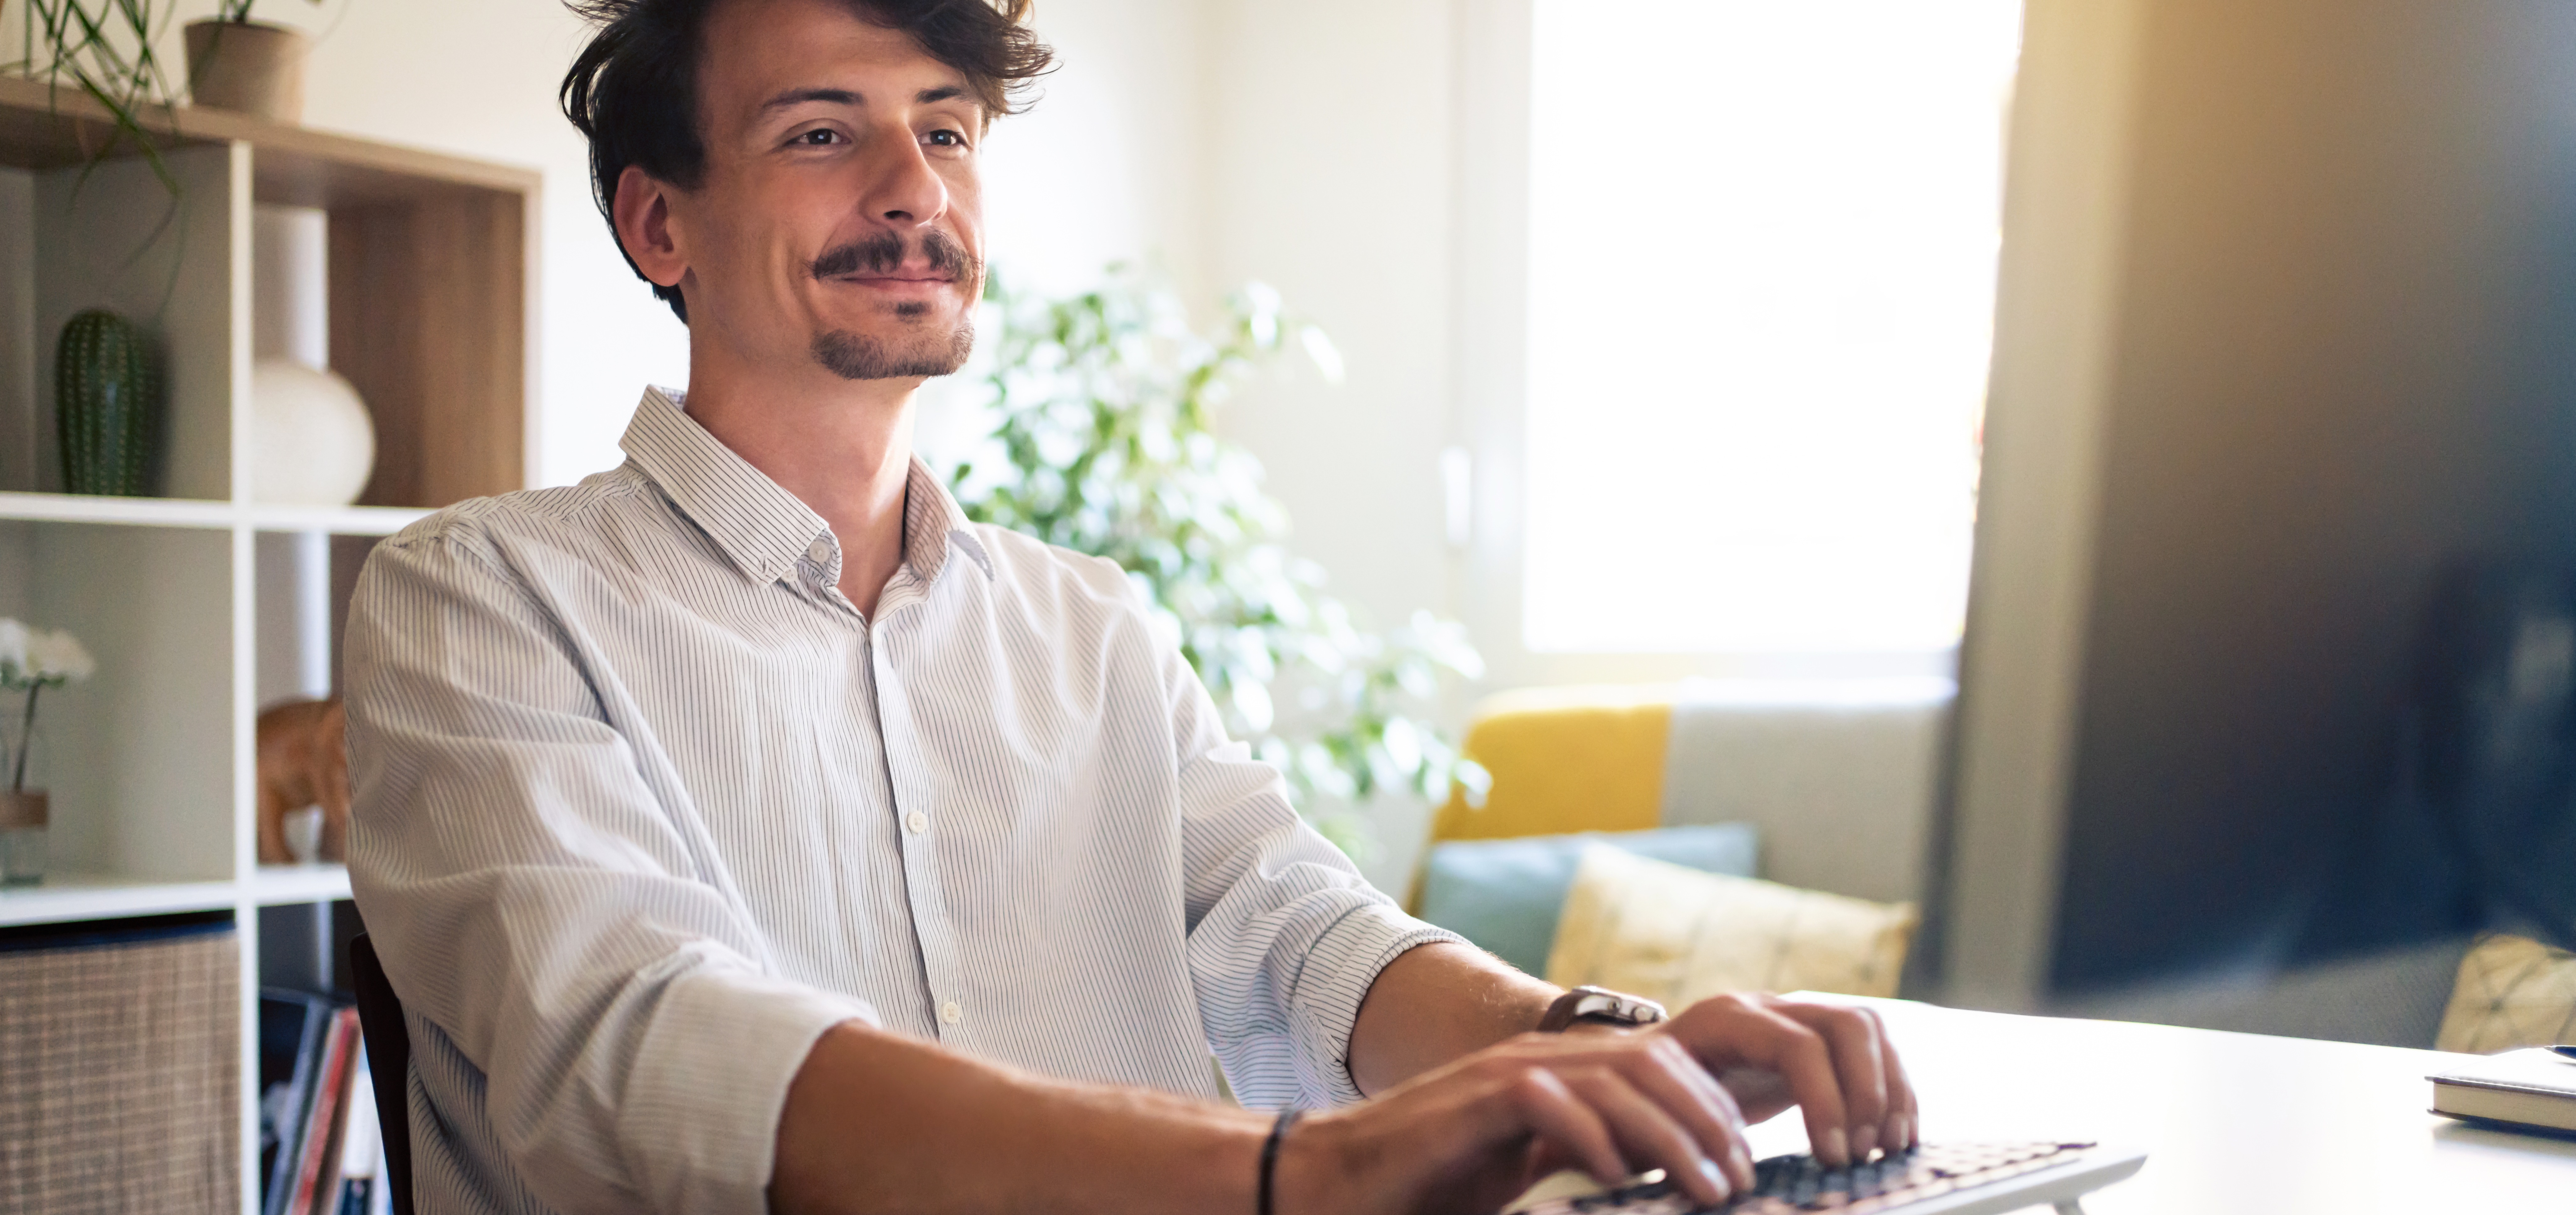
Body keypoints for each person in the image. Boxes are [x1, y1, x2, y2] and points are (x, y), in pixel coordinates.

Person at [343, 1, 1919, 1212]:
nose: (912, 190)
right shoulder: (475, 597)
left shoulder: (1092, 624)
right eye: (823, 135)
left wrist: (1587, 1041)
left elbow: (1300, 934)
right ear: (657, 223)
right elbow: (648, 1041)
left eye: (946, 133)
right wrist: (1300, 1173)